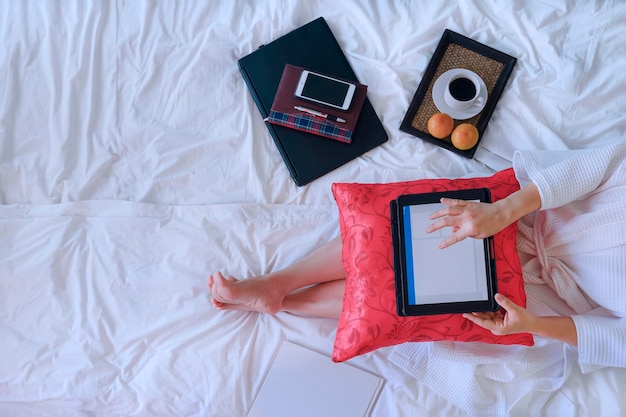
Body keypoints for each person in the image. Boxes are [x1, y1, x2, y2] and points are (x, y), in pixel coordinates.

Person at [208, 141, 626, 369]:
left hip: (542, 301)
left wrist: (534, 324)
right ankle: (279, 285)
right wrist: (503, 211)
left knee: (415, 301)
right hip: (525, 211)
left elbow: (617, 342)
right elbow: (602, 165)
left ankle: (284, 301)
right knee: (403, 236)